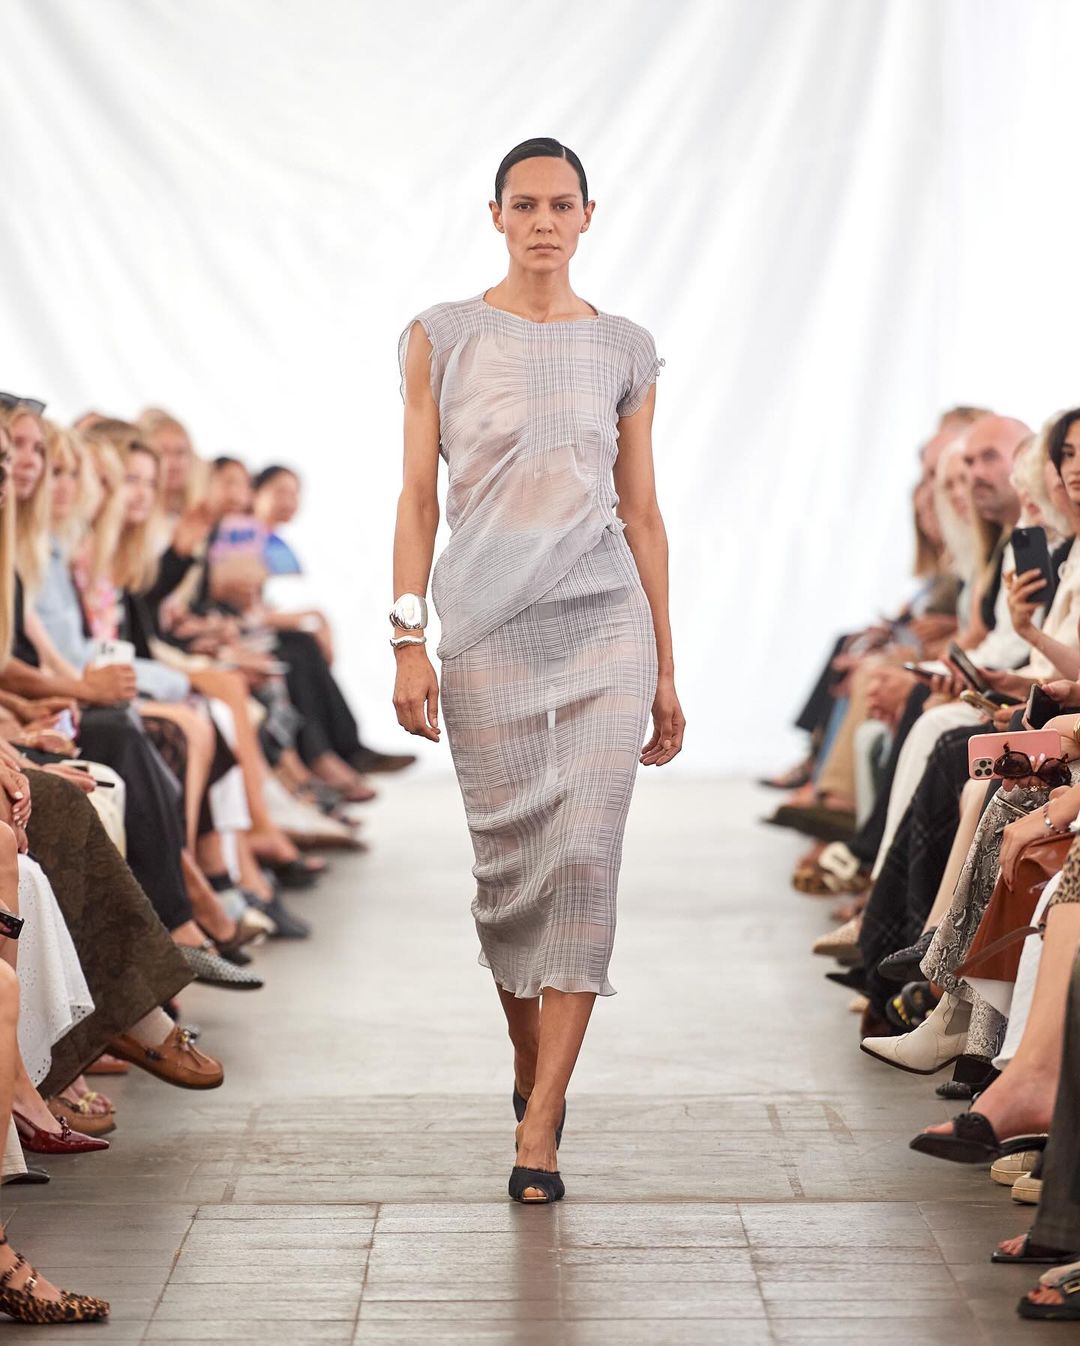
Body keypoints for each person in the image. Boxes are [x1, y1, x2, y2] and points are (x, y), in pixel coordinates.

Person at [393, 137, 684, 1204]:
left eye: (563, 204)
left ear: (589, 215)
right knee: (510, 876)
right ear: (496, 215)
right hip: (483, 621)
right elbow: (417, 498)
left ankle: (544, 1119)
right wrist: (406, 636)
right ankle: (531, 1066)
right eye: (526, 204)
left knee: (588, 858)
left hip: (605, 615)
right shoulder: (441, 335)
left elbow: (642, 510)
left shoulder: (624, 346)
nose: (544, 222)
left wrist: (666, 669)